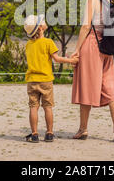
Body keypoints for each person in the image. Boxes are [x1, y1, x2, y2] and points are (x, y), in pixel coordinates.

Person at [70, 0, 114, 142]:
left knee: (87, 87)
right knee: (110, 88)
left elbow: (86, 26)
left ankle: (83, 129)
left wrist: (77, 49)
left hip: (92, 44)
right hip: (107, 46)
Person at [23, 14, 79, 143]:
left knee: (33, 107)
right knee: (48, 107)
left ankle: (35, 134)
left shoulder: (28, 45)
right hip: (46, 80)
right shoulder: (48, 42)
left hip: (32, 80)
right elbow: (57, 59)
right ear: (41, 28)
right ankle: (49, 133)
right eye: (42, 21)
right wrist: (71, 60)